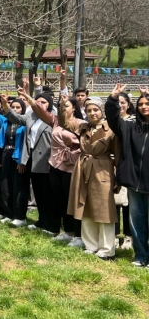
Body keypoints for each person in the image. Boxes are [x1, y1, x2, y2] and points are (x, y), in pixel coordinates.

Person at [17, 80, 84, 246]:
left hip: (72, 166)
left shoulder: (81, 124)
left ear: (74, 108)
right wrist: (27, 96)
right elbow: (39, 109)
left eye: (66, 106)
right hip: (55, 165)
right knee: (60, 200)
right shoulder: (55, 121)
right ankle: (68, 231)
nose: (63, 108)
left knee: (71, 201)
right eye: (61, 106)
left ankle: (79, 235)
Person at [60, 96, 118, 260]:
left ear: (102, 111)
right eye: (89, 110)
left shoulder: (111, 128)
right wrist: (63, 105)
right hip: (83, 168)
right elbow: (64, 123)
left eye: (95, 110)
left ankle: (106, 249)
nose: (92, 113)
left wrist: (118, 177)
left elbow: (118, 154)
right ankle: (91, 245)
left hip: (102, 169)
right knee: (85, 206)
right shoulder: (83, 127)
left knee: (104, 208)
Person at [106, 83, 149, 267]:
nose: (144, 107)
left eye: (147, 103)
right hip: (134, 183)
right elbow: (113, 120)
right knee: (137, 221)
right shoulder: (131, 127)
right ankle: (141, 256)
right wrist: (113, 99)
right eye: (141, 104)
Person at [4, 91, 54, 231]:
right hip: (31, 158)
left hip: (46, 160)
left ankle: (50, 224)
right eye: (38, 102)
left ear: (50, 104)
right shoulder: (31, 116)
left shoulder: (52, 118)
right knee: (38, 192)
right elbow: (15, 118)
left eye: (44, 102)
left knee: (46, 193)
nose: (40, 104)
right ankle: (41, 220)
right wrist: (5, 105)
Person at [0, 94, 27, 226]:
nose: (15, 109)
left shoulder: (26, 122)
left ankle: (20, 216)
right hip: (6, 154)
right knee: (5, 185)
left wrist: (21, 161)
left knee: (18, 186)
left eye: (18, 107)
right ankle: (9, 213)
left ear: (23, 109)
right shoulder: (5, 121)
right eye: (13, 107)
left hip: (19, 155)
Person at [113, 91, 134, 250]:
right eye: (117, 103)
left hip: (129, 165)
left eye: (123, 102)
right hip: (111, 164)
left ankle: (128, 236)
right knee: (113, 203)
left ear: (128, 104)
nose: (120, 105)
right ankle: (113, 235)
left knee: (128, 203)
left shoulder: (135, 121)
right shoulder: (109, 121)